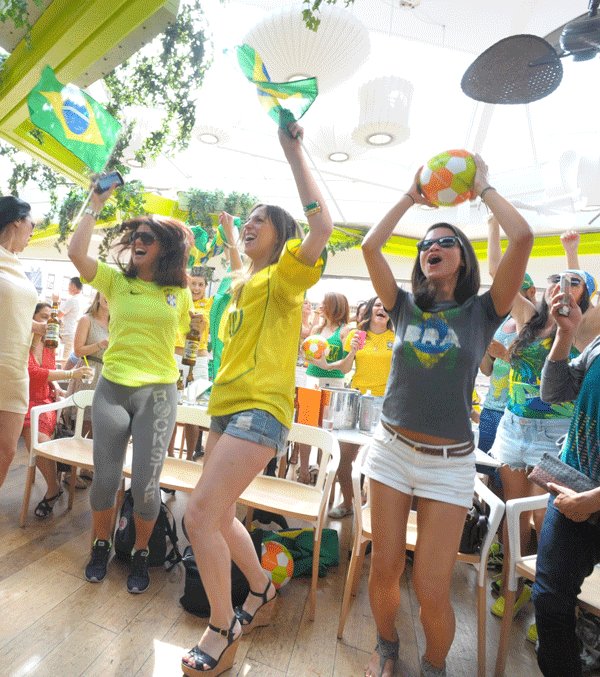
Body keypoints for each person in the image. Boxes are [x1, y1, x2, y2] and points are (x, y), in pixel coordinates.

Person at [360, 161, 533, 677]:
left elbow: (522, 236)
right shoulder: (404, 306)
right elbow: (371, 247)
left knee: (432, 586)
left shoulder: (484, 311)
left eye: (444, 242)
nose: (429, 248)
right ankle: (387, 646)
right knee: (386, 568)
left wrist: (481, 187)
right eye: (424, 244)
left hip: (449, 465)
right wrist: (411, 197)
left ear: (463, 258)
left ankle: (434, 666)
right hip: (390, 451)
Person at [181, 121, 332, 677]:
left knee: (198, 515)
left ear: (282, 233)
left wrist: (293, 151)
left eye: (258, 221)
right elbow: (243, 266)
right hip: (225, 404)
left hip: (260, 408)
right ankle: (264, 590)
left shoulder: (288, 277)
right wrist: (229, 233)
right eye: (246, 220)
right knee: (218, 517)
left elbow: (322, 225)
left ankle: (222, 628)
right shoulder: (247, 281)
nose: (249, 225)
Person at [68, 184, 206, 594]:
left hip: (159, 395)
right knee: (105, 480)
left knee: (147, 486)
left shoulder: (179, 293)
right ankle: (99, 546)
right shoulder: (114, 281)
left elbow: (183, 339)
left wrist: (196, 333)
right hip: (112, 388)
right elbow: (77, 253)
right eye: (135, 237)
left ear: (165, 248)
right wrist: (95, 204)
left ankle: (142, 553)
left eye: (148, 237)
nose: (138, 242)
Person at [489, 268, 596, 622]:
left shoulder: (584, 326)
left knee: (542, 519)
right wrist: (491, 223)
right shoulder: (531, 320)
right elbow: (497, 273)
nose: (561, 286)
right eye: (556, 279)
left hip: (553, 434)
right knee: (512, 511)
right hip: (513, 427)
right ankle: (512, 590)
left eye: (573, 282)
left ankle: (544, 610)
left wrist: (571, 251)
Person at [534, 287, 600, 677]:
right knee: (550, 601)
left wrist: (592, 501)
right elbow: (554, 391)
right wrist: (564, 333)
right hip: (570, 491)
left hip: (586, 500)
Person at [308, 296, 394, 518]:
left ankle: (375, 512)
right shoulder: (358, 336)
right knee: (343, 458)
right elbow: (345, 368)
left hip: (386, 407)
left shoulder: (396, 338)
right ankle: (349, 503)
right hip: (358, 402)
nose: (381, 309)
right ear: (370, 311)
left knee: (382, 464)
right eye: (377, 305)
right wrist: (351, 352)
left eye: (385, 306)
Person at [21, 302, 92, 517]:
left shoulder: (50, 345)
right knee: (26, 428)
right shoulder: (22, 343)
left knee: (35, 433)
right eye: (43, 317)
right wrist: (71, 376)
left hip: (43, 402)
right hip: (21, 399)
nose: (47, 323)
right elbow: (33, 373)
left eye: (50, 319)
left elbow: (47, 373)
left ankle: (53, 489)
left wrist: (56, 388)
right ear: (31, 320)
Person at [0, 196, 46, 489]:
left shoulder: (16, 264)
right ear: (17, 220)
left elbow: (13, 313)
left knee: (6, 451)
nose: (32, 232)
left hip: (16, 370)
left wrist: (38, 327)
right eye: (32, 225)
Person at [65, 291, 110, 439]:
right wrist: (101, 344)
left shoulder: (116, 323)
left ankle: (85, 461)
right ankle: (71, 462)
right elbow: (78, 351)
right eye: (106, 293)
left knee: (99, 426)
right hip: (88, 372)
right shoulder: (87, 319)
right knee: (82, 423)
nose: (109, 298)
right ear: (98, 295)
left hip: (107, 375)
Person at [58, 276, 84, 361]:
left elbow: (58, 315)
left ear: (73, 286)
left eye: (69, 285)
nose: (68, 287)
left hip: (68, 334)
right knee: (68, 360)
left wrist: (56, 303)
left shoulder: (73, 300)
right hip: (75, 334)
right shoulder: (82, 300)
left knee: (63, 360)